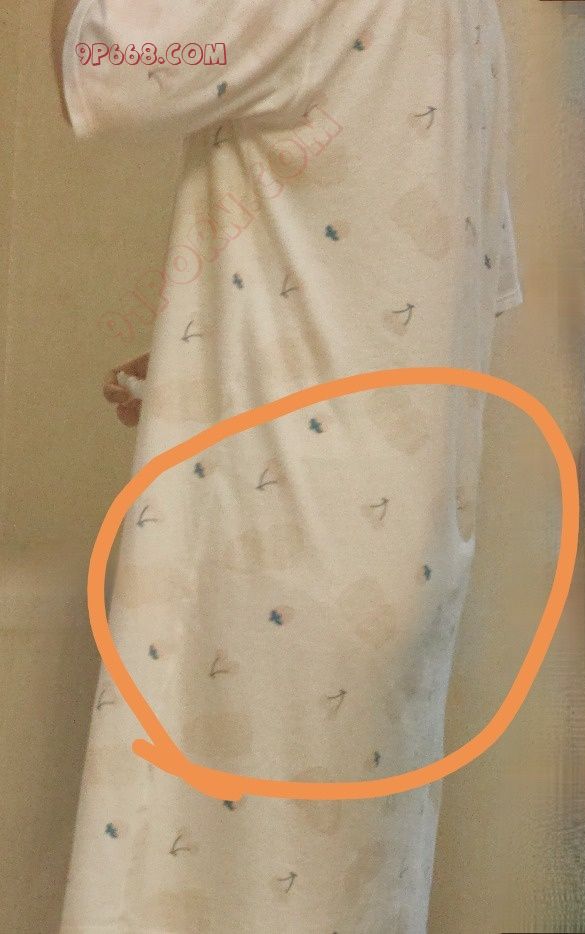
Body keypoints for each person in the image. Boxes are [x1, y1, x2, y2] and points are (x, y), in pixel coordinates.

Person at [53, 1, 524, 930]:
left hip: (283, 570)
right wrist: (209, 358)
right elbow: (443, 279)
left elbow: (100, 63)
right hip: (391, 562)